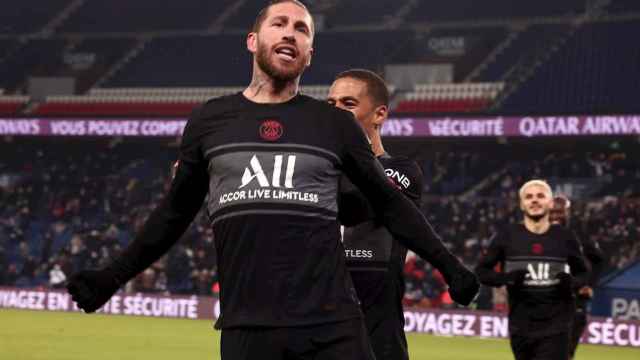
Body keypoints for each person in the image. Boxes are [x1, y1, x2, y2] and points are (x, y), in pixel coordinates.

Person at [66, 1, 479, 359]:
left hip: (332, 323)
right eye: (279, 23)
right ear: (252, 40)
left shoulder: (333, 125)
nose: (290, 33)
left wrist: (450, 267)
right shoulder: (210, 121)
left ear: (309, 54)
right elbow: (174, 213)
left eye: (301, 29)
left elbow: (389, 204)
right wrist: (112, 277)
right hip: (248, 326)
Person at [328, 69, 421, 360]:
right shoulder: (315, 172)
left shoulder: (402, 171)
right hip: (320, 331)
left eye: (348, 104)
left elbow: (364, 200)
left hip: (378, 338)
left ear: (379, 115)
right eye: (331, 105)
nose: (337, 112)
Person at [475, 180, 588, 360]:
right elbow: (481, 272)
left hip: (557, 327)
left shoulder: (565, 237)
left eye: (540, 196)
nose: (534, 200)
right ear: (522, 204)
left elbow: (584, 273)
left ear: (550, 203)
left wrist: (572, 284)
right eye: (529, 197)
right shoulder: (507, 236)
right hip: (521, 327)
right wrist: (507, 279)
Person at [550, 195, 604, 359]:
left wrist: (589, 285)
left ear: (567, 212)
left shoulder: (579, 235)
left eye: (560, 212)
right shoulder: (538, 233)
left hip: (573, 301)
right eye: (553, 212)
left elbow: (598, 260)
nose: (556, 216)